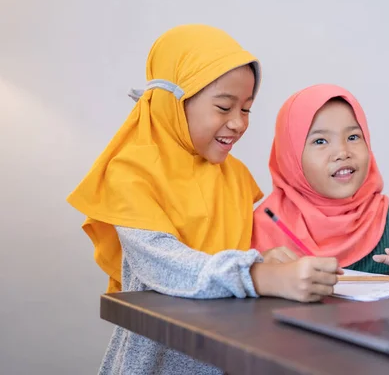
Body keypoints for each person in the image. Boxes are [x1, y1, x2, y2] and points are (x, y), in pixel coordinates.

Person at [66, 25, 339, 375]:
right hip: (156, 363)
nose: (238, 123)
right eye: (224, 107)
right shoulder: (131, 173)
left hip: (226, 356)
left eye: (247, 110)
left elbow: (218, 258)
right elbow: (165, 264)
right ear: (174, 102)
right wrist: (259, 276)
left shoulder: (234, 175)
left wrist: (262, 260)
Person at [252, 84, 389, 278]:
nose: (342, 153)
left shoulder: (380, 214)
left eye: (353, 137)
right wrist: (261, 271)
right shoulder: (263, 225)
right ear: (291, 156)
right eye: (320, 141)